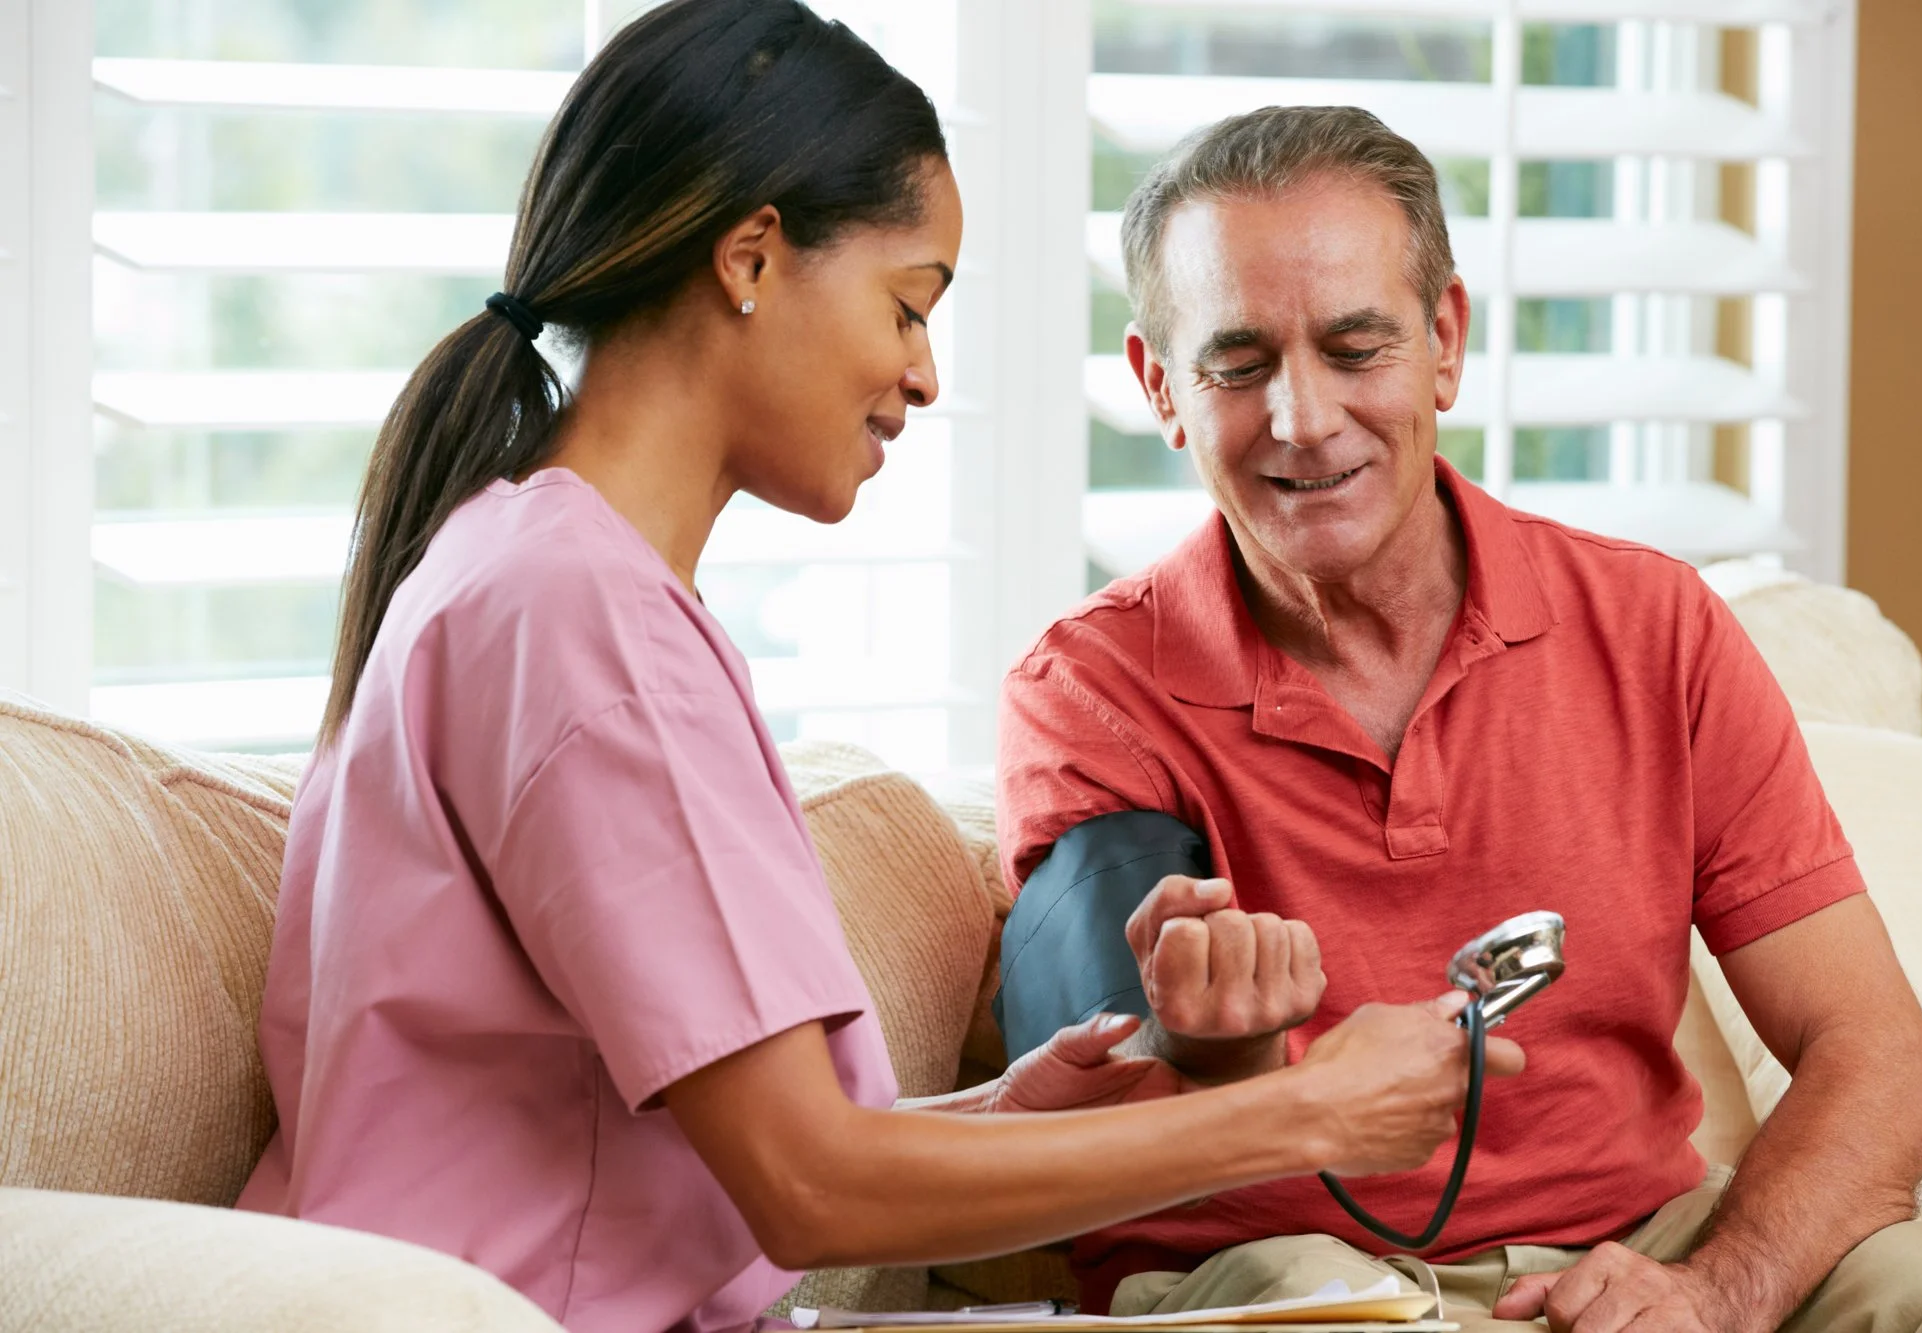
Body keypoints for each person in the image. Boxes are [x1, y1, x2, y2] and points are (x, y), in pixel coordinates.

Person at [236, 7, 1529, 1332]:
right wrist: (1298, 1109)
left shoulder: (535, 568)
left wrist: (999, 1119)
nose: (920, 373)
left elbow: (714, 1150)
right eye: (907, 305)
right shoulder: (578, 615)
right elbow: (809, 1190)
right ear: (752, 256)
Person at [994, 105, 1922, 1332]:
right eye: (1238, 362)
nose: (1302, 419)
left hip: (1644, 1242)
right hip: (1294, 1273)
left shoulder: (1651, 625)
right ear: (1160, 384)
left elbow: (1880, 1061)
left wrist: (1711, 1291)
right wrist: (1214, 1052)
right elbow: (1071, 1148)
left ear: (1445, 342)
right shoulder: (1089, 690)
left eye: (1356, 348)